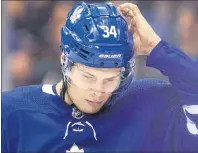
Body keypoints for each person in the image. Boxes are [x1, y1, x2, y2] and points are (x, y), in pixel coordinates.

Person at [2, 1, 198, 153]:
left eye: (110, 79)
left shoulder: (148, 105)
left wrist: (157, 48)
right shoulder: (13, 112)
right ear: (65, 60)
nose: (98, 90)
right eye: (88, 77)